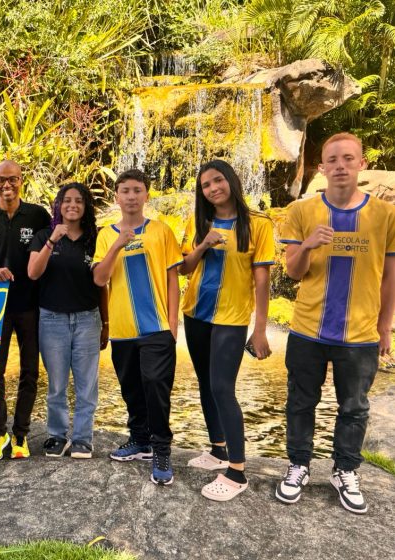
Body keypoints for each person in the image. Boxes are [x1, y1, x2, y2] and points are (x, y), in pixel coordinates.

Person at [275, 132, 395, 514]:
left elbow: (390, 276)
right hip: (307, 329)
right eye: (332, 159)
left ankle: (345, 470)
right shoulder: (301, 211)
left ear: (362, 164)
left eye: (348, 158)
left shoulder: (386, 214)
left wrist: (385, 327)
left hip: (360, 334)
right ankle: (298, 465)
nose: (340, 166)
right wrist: (308, 245)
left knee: (354, 407)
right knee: (300, 402)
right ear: (322, 167)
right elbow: (293, 272)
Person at [179, 161, 275, 501]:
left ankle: (237, 470)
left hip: (231, 318)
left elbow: (262, 281)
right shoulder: (198, 221)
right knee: (206, 383)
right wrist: (203, 244)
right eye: (205, 185)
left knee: (222, 387)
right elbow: (184, 268)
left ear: (231, 180)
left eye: (218, 180)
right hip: (195, 314)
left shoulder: (259, 224)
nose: (212, 188)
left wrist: (260, 329)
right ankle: (218, 449)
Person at [93, 169, 182, 485]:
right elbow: (100, 278)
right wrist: (118, 244)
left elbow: (173, 279)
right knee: (131, 387)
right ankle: (140, 439)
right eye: (125, 191)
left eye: (137, 190)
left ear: (146, 195)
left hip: (157, 326)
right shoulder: (106, 235)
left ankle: (161, 449)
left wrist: (173, 324)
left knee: (156, 386)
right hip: (122, 330)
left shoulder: (161, 231)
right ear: (116, 196)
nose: (131, 196)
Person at [0, 160, 52, 460]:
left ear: (21, 180)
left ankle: (21, 434)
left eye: (12, 179)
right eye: (1, 180)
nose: (7, 185)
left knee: (30, 371)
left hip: (30, 305)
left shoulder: (38, 215)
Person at [28, 182, 109, 459]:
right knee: (56, 385)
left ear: (86, 207)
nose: (72, 205)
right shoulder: (44, 235)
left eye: (79, 201)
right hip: (52, 319)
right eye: (67, 200)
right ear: (59, 206)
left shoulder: (95, 238)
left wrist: (106, 323)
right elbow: (33, 273)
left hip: (88, 319)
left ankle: (83, 439)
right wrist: (52, 240)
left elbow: (102, 284)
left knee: (87, 385)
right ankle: (57, 435)